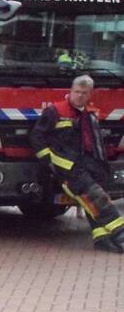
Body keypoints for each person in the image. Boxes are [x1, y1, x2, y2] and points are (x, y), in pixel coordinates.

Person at [30, 75, 124, 253]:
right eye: (77, 92)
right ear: (71, 91)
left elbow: (94, 141)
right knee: (95, 196)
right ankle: (120, 232)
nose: (79, 96)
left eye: (84, 93)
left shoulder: (90, 113)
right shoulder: (55, 111)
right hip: (67, 165)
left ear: (90, 95)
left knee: (96, 197)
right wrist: (47, 160)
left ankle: (101, 238)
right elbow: (37, 136)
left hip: (90, 163)